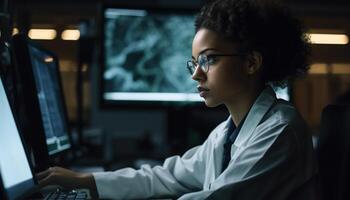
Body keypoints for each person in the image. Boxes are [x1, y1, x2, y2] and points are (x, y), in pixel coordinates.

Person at [37, 0, 319, 199]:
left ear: (251, 62)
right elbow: (165, 177)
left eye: (209, 60)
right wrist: (85, 181)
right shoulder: (225, 134)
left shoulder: (281, 131)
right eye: (194, 63)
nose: (196, 75)